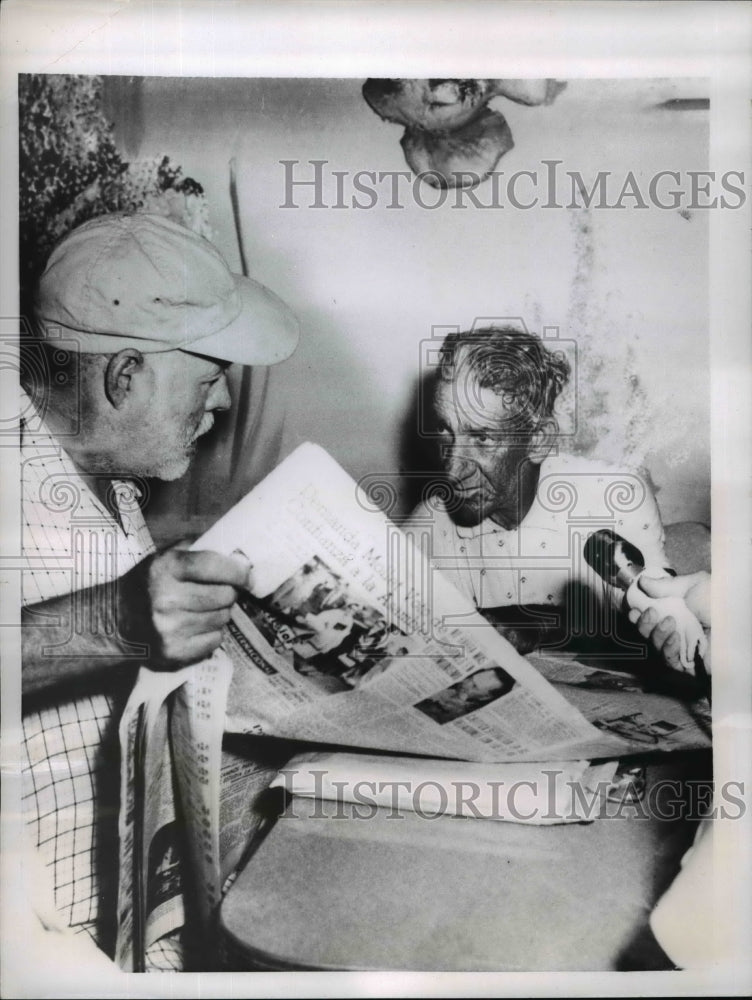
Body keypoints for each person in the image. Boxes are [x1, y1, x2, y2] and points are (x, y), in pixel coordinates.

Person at [18, 212, 299, 970]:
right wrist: (116, 619)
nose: (221, 409)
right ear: (123, 375)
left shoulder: (112, 479)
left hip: (134, 923)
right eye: (207, 382)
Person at [404, 326, 685, 666]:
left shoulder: (614, 494)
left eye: (482, 439)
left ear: (538, 440)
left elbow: (658, 627)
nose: (450, 472)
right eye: (444, 432)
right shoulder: (426, 525)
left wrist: (540, 623)